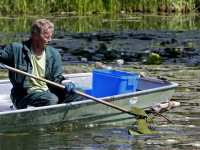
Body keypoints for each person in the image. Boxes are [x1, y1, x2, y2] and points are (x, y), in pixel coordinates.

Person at [0, 19, 85, 109]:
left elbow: (56, 78)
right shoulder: (16, 49)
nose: (50, 40)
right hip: (24, 96)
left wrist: (65, 82)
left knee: (78, 93)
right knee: (51, 99)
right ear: (36, 35)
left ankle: (58, 116)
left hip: (48, 92)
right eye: (46, 37)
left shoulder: (53, 54)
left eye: (50, 37)